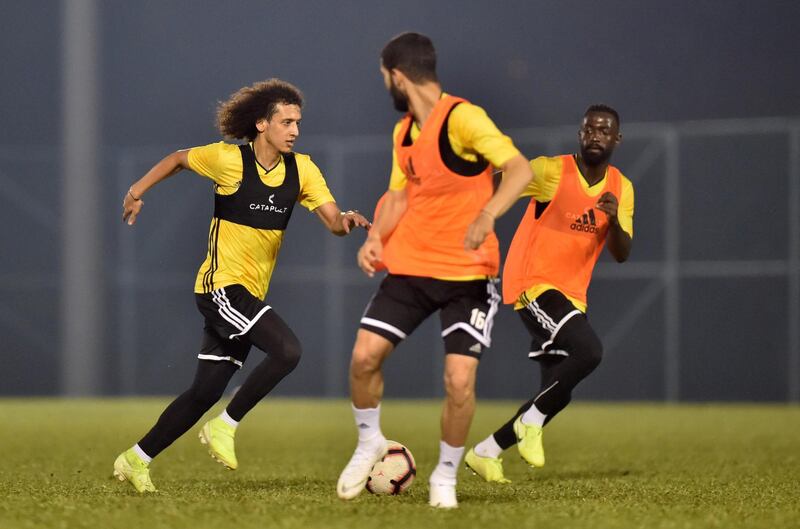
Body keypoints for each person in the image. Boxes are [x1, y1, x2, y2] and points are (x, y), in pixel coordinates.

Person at [112, 79, 370, 493]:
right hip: (220, 288)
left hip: (247, 296)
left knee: (203, 392)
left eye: (298, 122)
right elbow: (178, 159)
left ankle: (135, 459)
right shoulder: (229, 160)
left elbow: (333, 221)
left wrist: (347, 221)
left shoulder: (302, 169)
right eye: (286, 122)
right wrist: (136, 191)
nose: (295, 130)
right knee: (288, 350)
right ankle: (227, 426)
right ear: (262, 124)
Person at [336, 32, 534, 508]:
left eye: (385, 77)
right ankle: (368, 444)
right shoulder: (403, 133)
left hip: (468, 275)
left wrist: (487, 215)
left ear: (398, 76)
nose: (385, 84)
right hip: (412, 269)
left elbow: (520, 169)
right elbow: (401, 196)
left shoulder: (463, 118)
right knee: (364, 357)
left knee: (459, 381)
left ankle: (445, 475)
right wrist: (375, 238)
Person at [464, 104, 634, 483]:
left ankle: (486, 451)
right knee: (589, 352)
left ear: (616, 139)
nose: (595, 135)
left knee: (559, 388)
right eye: (589, 129)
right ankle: (531, 422)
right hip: (533, 283)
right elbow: (500, 180)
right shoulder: (550, 171)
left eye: (604, 131)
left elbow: (621, 253)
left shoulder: (621, 188)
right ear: (580, 134)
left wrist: (613, 219)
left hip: (573, 296)